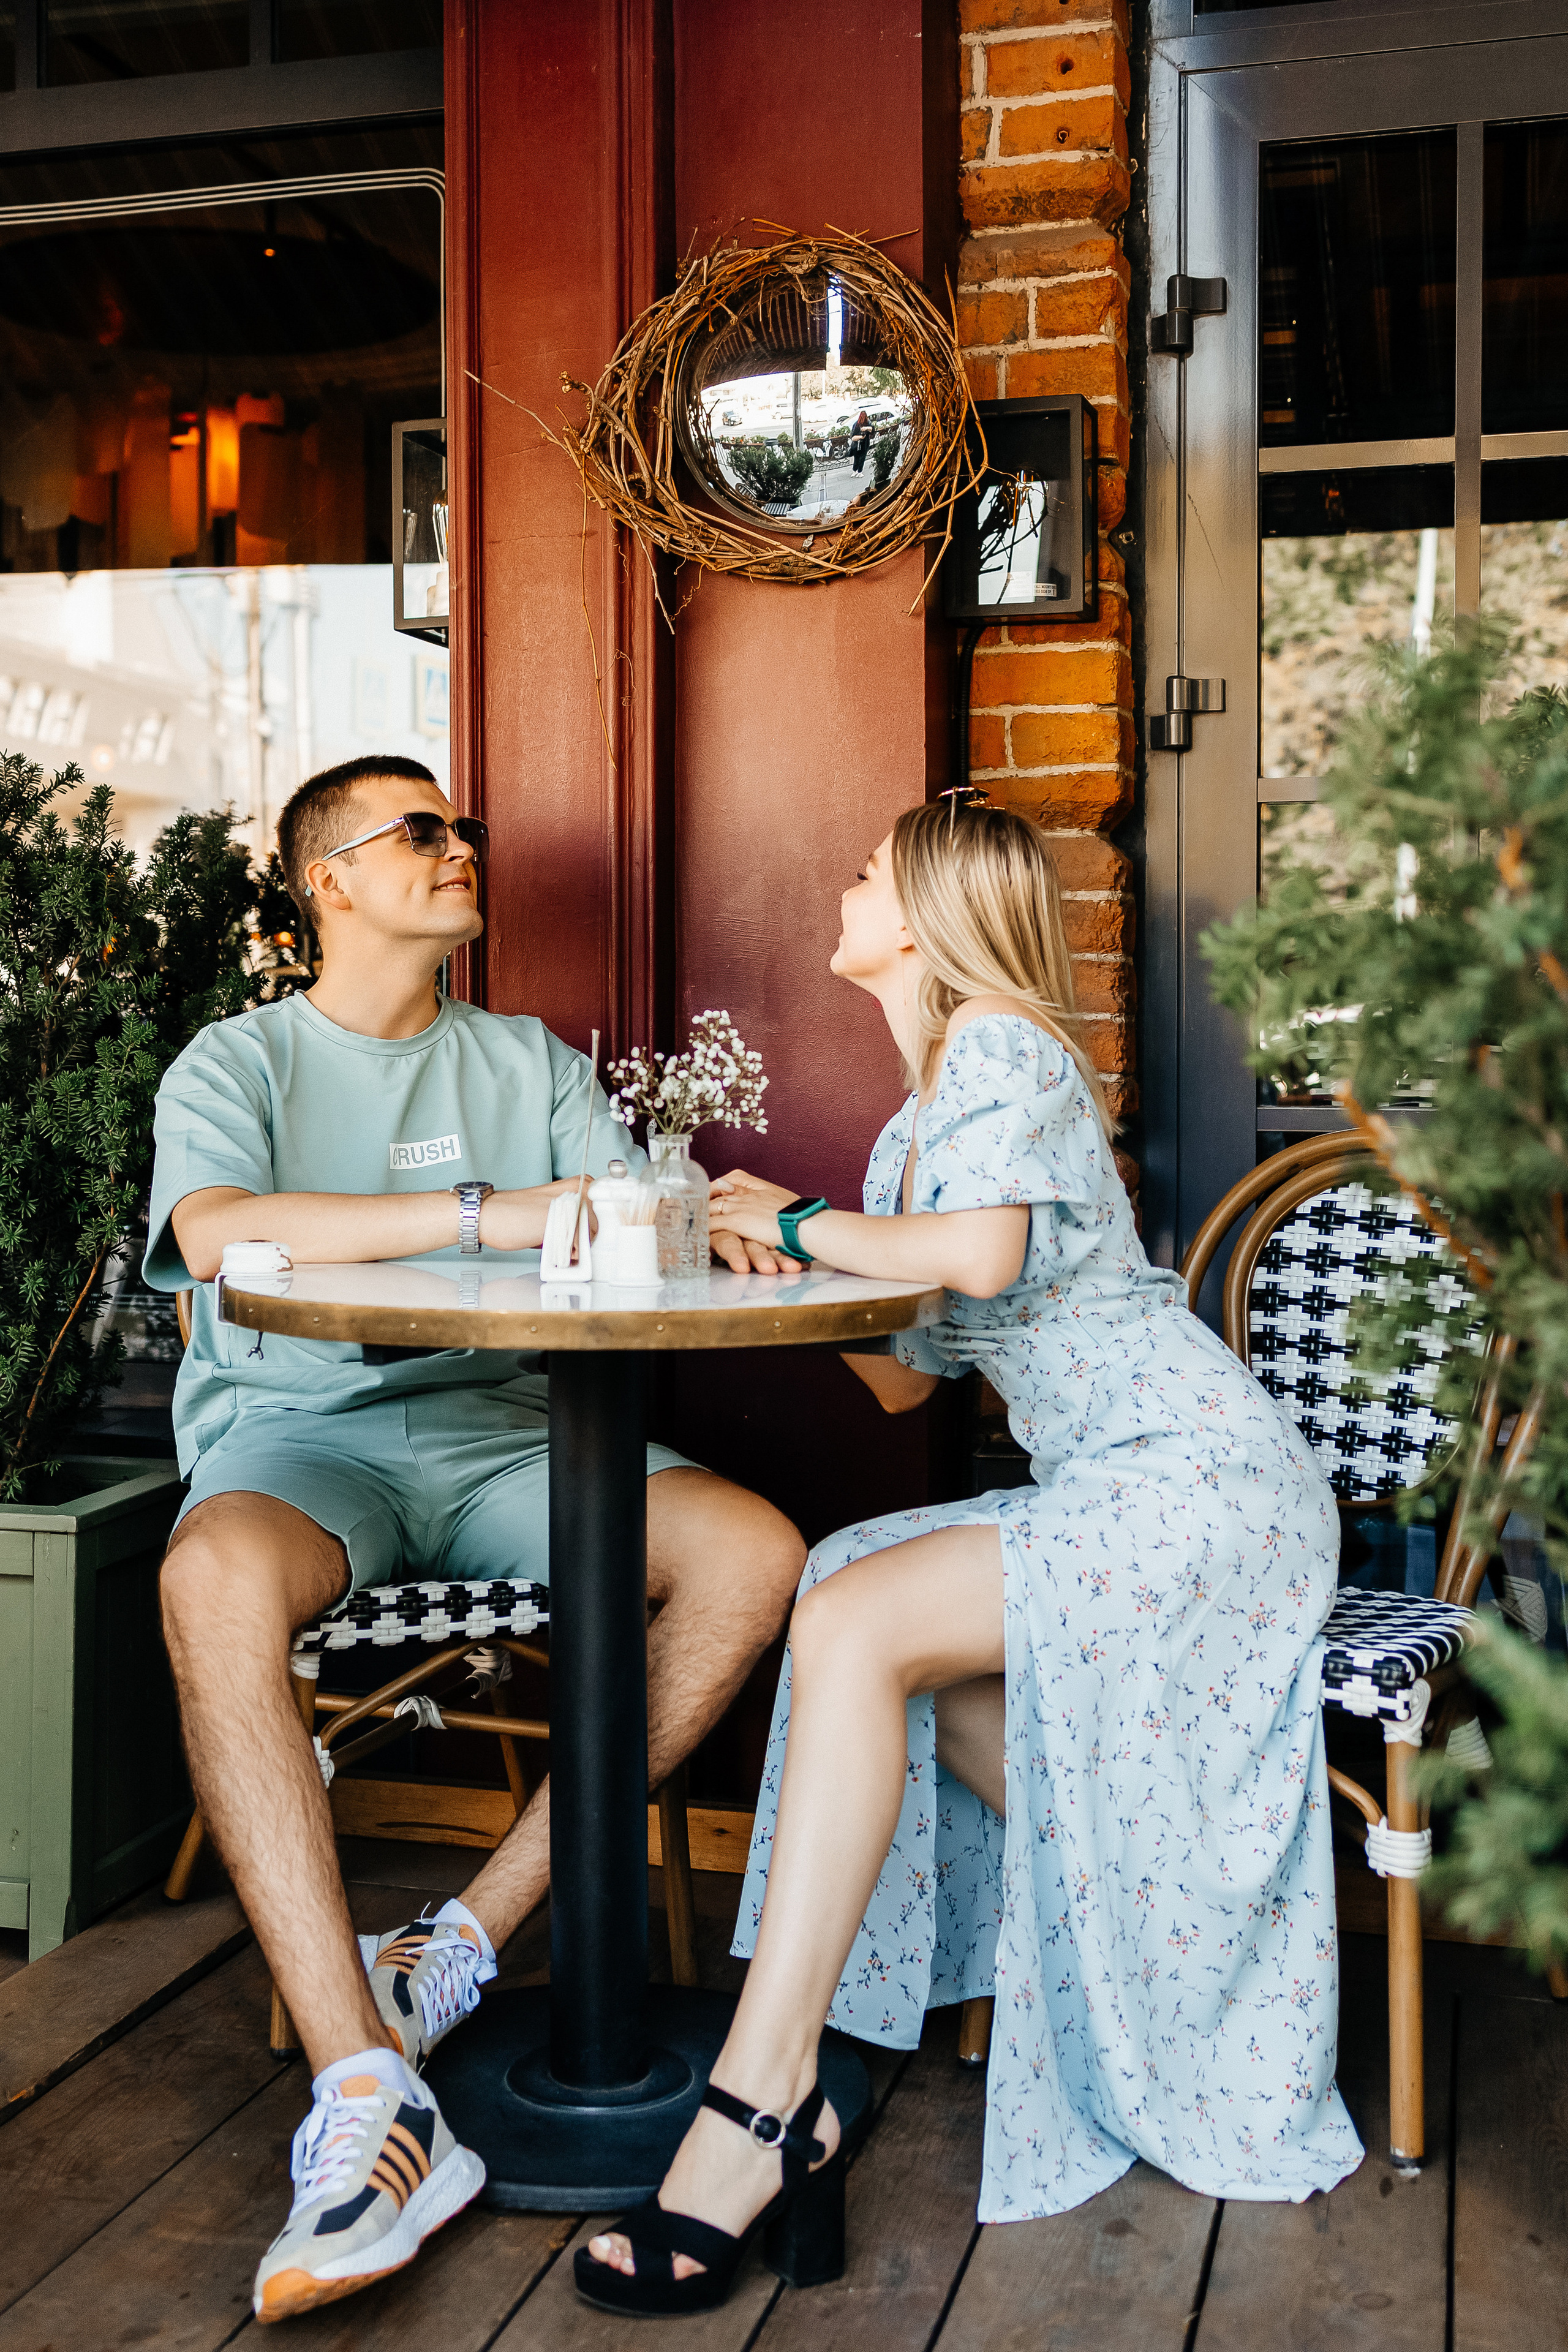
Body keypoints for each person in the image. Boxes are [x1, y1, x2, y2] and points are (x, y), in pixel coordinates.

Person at [575, 796, 1363, 2316]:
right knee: (845, 1581)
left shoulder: (1001, 1041)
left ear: (927, 916)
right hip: (1126, 1487)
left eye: (868, 870)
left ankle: (761, 2099)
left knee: (862, 1618)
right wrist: (745, 1253)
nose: (845, 881)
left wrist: (800, 1225)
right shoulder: (916, 1119)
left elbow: (982, 1260)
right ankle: (1130, 1905)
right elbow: (908, 1367)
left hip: (1195, 1484)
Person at [147, 754, 805, 2325]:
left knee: (757, 1552)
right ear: (328, 880)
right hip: (302, 1436)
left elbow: (627, 1209)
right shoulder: (236, 1060)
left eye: (463, 827)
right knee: (208, 1574)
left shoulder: (523, 1056)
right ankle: (365, 2089)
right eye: (419, 831)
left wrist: (708, 1206)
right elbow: (218, 1236)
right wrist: (481, 1216)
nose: (458, 848)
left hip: (517, 1433)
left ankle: (451, 1943)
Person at [848, 409, 872, 473]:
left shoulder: (856, 424)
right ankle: (859, 472)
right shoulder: (868, 423)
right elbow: (872, 431)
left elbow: (852, 435)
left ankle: (855, 470)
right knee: (862, 458)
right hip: (865, 443)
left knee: (857, 457)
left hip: (857, 444)